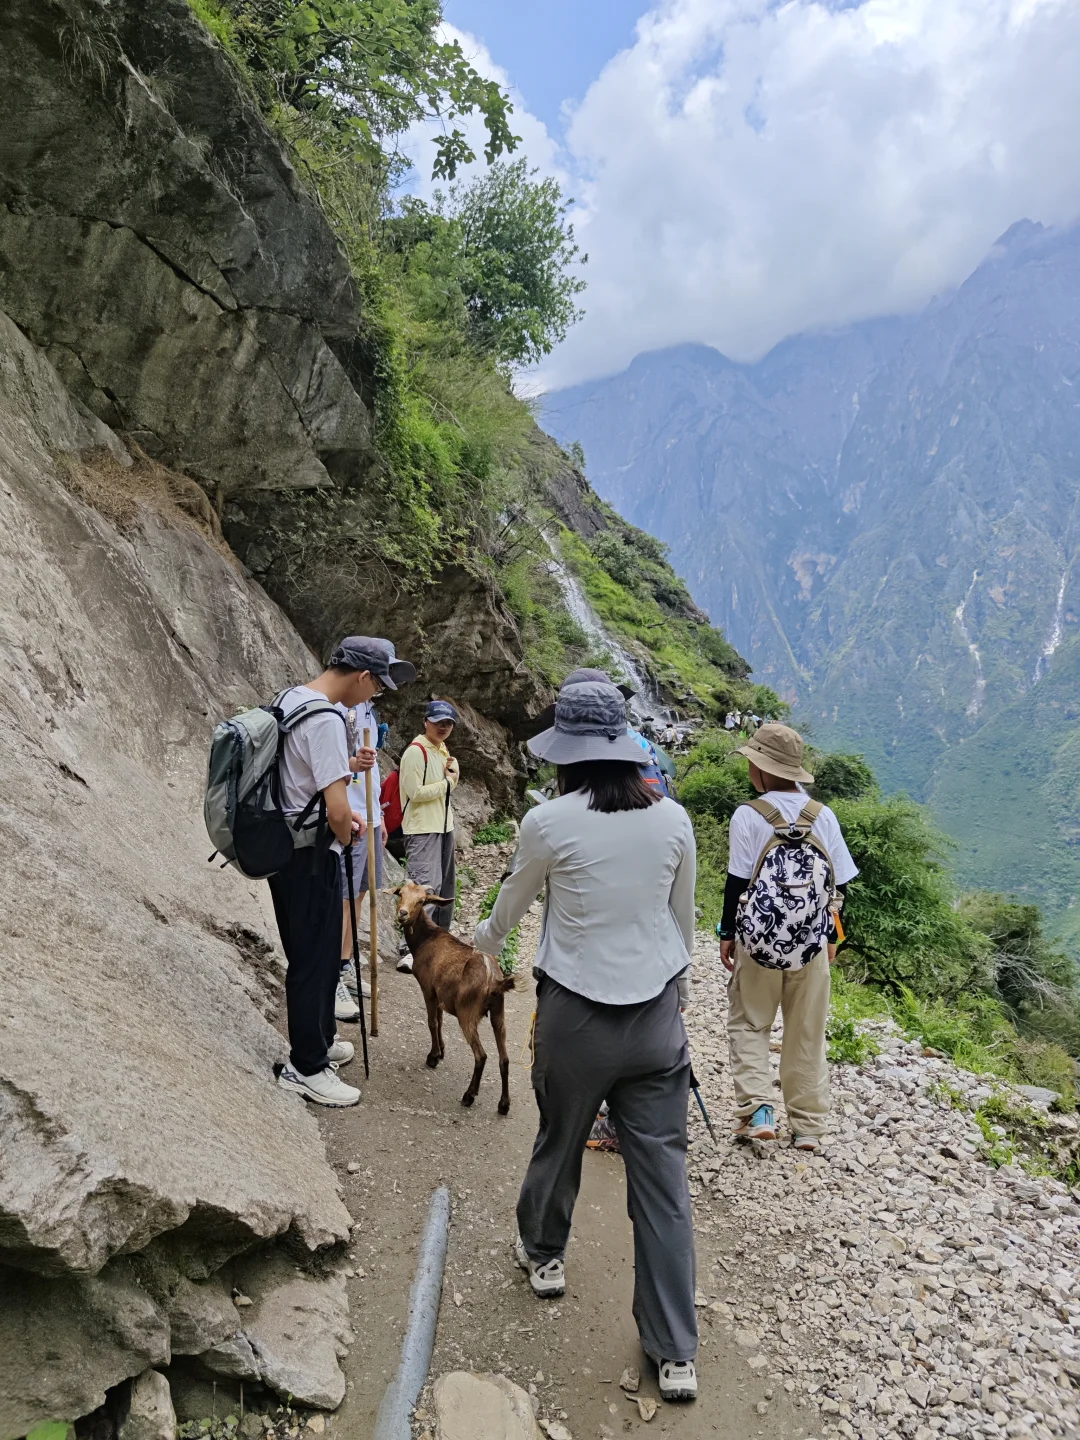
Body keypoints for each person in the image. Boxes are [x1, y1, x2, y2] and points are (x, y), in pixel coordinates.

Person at [475, 679, 700, 1403]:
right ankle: (675, 1354)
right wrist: (679, 1002)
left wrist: (477, 940)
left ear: (566, 752)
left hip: (574, 1015)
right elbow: (681, 922)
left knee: (560, 1139)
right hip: (658, 1020)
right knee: (663, 1186)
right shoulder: (673, 820)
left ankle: (544, 1257)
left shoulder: (548, 822)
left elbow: (510, 908)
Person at [273, 636, 416, 1107]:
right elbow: (337, 807)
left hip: (285, 844)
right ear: (363, 677)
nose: (374, 697)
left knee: (308, 952)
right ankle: (307, 1067)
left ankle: (319, 1038)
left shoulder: (291, 698)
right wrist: (348, 826)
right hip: (313, 852)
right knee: (314, 960)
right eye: (377, 687)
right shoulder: (328, 717)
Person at [717, 723, 858, 1150]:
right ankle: (809, 1128)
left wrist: (728, 932)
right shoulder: (823, 814)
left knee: (750, 1022)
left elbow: (737, 883)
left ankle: (758, 1110)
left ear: (760, 768)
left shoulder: (748, 814)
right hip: (812, 942)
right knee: (806, 1031)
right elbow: (840, 885)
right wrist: (831, 936)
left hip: (758, 944)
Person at [398, 699, 461, 970]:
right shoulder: (416, 751)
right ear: (426, 721)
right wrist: (447, 784)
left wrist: (452, 779)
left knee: (444, 889)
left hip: (444, 827)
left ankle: (436, 944)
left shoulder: (441, 749)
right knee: (422, 888)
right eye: (438, 722)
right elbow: (416, 793)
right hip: (422, 828)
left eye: (448, 723)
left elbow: (443, 789)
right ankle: (409, 950)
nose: (443, 727)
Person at [334, 690, 384, 1022]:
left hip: (372, 816)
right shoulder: (338, 709)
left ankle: (347, 962)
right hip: (352, 817)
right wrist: (353, 764)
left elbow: (372, 770)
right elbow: (329, 764)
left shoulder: (369, 710)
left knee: (362, 893)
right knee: (344, 898)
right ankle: (334, 973)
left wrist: (378, 817)